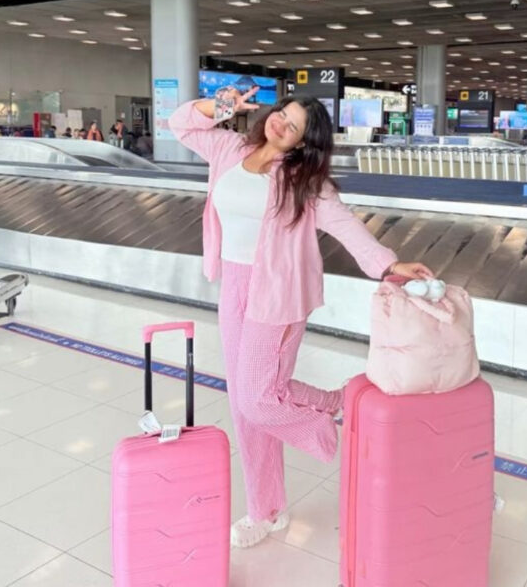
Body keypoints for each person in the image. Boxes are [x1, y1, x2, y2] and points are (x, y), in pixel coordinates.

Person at [169, 88, 432, 549]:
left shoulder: (303, 181)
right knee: (244, 403)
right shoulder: (231, 148)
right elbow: (182, 124)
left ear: (302, 144)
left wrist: (388, 266)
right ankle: (266, 509)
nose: (280, 126)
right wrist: (223, 107)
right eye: (281, 116)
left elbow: (347, 224)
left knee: (257, 400)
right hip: (233, 284)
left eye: (293, 128)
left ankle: (331, 413)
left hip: (279, 293)